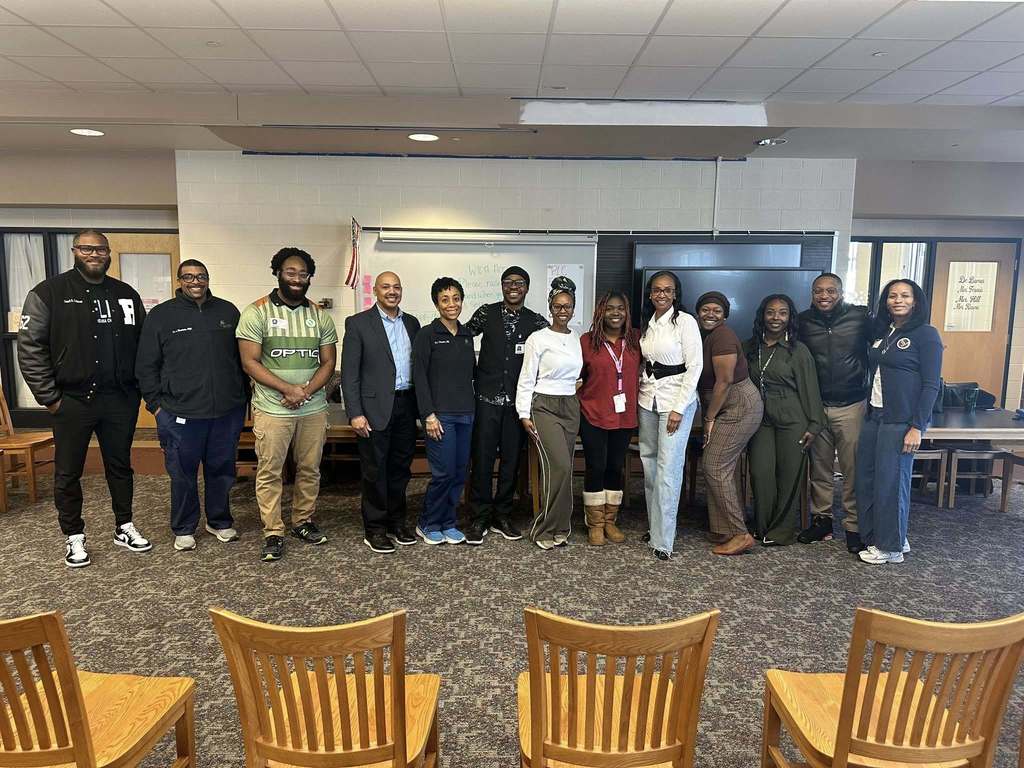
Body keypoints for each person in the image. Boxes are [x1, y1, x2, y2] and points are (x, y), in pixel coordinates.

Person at [17, 229, 150, 568]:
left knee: (120, 467)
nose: (95, 254)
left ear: (108, 253)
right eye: (87, 248)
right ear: (75, 251)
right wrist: (50, 398)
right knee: (68, 472)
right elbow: (30, 349)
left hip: (119, 400)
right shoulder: (49, 292)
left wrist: (138, 391)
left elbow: (143, 346)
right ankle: (74, 536)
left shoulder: (125, 294)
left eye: (101, 249)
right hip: (72, 401)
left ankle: (124, 526)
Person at [136, 259, 248, 552]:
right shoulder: (161, 316)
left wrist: (242, 400)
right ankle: (184, 527)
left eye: (201, 276)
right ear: (179, 280)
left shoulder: (228, 311)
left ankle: (219, 521)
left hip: (226, 411)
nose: (195, 281)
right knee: (182, 473)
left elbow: (242, 359)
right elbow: (146, 366)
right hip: (179, 413)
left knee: (222, 469)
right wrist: (157, 407)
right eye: (188, 277)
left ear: (208, 279)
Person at [237, 248, 338, 562]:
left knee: (310, 469)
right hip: (273, 408)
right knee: (270, 471)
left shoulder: (319, 315)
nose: (297, 278)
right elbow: (249, 362)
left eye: (303, 274)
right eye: (290, 272)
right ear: (277, 273)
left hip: (312, 408)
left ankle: (303, 521)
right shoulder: (256, 312)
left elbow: (329, 362)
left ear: (309, 278)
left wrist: (304, 392)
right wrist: (288, 389)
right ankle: (273, 531)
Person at [856, 279, 943, 565]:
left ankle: (890, 547)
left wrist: (918, 426)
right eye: (892, 296)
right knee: (868, 478)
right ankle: (882, 536)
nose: (898, 300)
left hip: (901, 420)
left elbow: (931, 385)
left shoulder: (926, 334)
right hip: (875, 415)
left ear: (916, 301)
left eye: (905, 296)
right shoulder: (886, 331)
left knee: (892, 483)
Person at [463, 267, 548, 545]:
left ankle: (503, 514)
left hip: (517, 406)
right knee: (483, 460)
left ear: (526, 287)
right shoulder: (486, 313)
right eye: (508, 282)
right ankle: (479, 516)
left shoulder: (535, 321)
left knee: (511, 461)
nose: (514, 287)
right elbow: (462, 338)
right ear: (502, 286)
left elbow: (553, 347)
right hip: (486, 401)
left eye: (519, 283)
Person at [341, 271, 421, 555]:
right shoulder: (359, 324)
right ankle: (375, 528)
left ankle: (397, 522)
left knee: (400, 469)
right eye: (386, 287)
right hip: (373, 410)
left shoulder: (412, 323)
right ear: (375, 290)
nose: (392, 291)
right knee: (375, 471)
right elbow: (350, 374)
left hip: (405, 406)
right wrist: (355, 413)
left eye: (396, 287)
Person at [798, 272, 873, 552]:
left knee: (853, 470)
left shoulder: (860, 318)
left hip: (851, 405)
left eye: (830, 291)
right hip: (817, 407)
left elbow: (881, 349)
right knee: (820, 469)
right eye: (819, 291)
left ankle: (854, 526)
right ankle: (822, 520)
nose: (824, 296)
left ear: (840, 293)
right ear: (812, 294)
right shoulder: (803, 321)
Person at [744, 294, 826, 547]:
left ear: (790, 318)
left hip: (793, 418)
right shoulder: (750, 347)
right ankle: (762, 526)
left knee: (789, 476)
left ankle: (781, 531)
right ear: (762, 315)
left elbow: (810, 389)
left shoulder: (798, 351)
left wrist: (814, 424)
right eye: (771, 312)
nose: (776, 318)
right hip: (760, 419)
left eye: (782, 313)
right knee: (760, 473)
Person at [638, 271, 703, 561]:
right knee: (649, 464)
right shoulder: (648, 324)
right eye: (656, 290)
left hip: (675, 402)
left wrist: (679, 407)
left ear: (676, 294)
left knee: (669, 469)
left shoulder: (685, 322)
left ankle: (664, 540)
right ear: (650, 294)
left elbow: (695, 367)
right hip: (647, 399)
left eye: (668, 290)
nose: (661, 294)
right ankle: (655, 527)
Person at [694, 291, 763, 556]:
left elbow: (723, 382)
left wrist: (708, 419)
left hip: (738, 405)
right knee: (723, 465)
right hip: (725, 404)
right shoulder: (706, 335)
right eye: (705, 309)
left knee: (714, 464)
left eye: (717, 310)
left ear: (725, 315)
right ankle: (723, 529)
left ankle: (739, 533)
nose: (710, 314)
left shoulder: (722, 335)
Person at [517, 277, 583, 550]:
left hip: (570, 404)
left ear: (573, 308)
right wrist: (523, 412)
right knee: (560, 466)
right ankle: (543, 528)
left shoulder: (577, 337)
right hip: (543, 405)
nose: (562, 310)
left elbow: (577, 372)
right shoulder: (538, 338)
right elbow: (527, 376)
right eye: (557, 306)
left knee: (564, 471)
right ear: (550, 308)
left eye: (567, 306)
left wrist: (576, 384)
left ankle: (561, 527)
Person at [412, 277, 475, 545]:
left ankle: (448, 521)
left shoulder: (466, 334)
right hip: (440, 417)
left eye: (456, 298)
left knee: (460, 472)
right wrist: (428, 415)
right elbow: (420, 377)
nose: (452, 304)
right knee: (443, 473)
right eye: (445, 299)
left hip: (466, 414)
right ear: (436, 303)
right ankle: (428, 522)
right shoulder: (427, 335)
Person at [578, 291, 641, 546]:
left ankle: (609, 521)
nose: (615, 313)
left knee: (615, 466)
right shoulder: (587, 341)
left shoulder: (636, 340)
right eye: (609, 308)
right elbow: (575, 374)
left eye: (620, 308)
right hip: (593, 412)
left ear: (626, 312)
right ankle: (594, 524)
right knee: (596, 465)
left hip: (624, 416)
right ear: (600, 312)